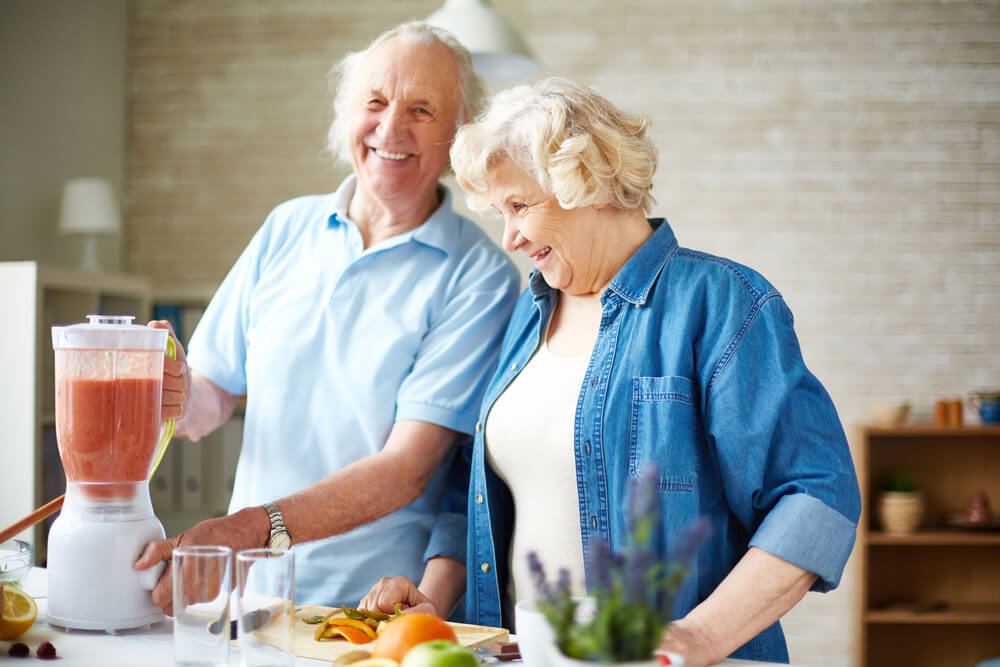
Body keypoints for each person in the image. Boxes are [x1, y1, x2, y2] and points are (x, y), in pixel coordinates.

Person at [359, 77, 861, 665]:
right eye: (502, 212)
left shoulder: (721, 304)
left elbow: (815, 497)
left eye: (520, 206)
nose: (510, 236)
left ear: (588, 184)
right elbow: (474, 486)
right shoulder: (531, 309)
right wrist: (434, 608)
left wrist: (699, 636)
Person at [135, 22, 520, 614]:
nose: (391, 128)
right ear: (348, 117)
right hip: (249, 599)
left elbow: (406, 470)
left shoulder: (479, 274)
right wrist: (170, 384)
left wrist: (246, 529)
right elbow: (210, 399)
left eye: (422, 109)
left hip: (367, 612)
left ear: (458, 136)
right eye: (375, 101)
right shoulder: (287, 227)